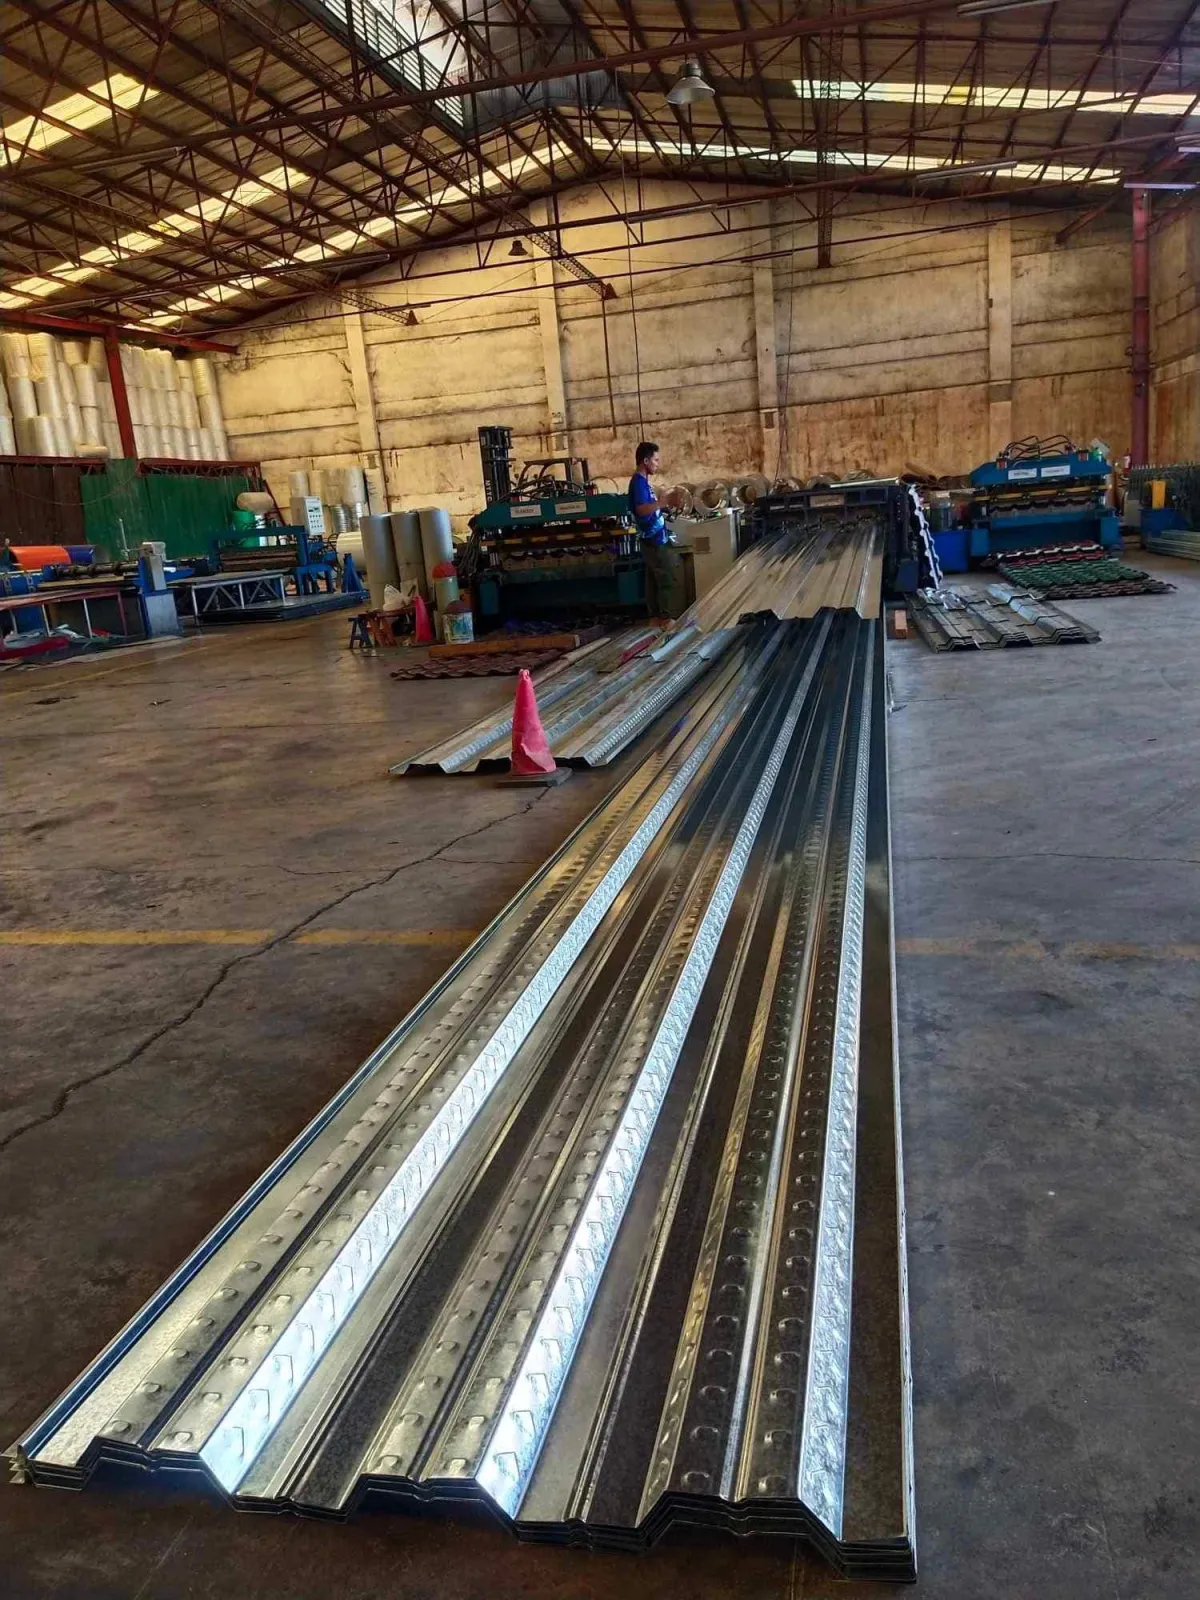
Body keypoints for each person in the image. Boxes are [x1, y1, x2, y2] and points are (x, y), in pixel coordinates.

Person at [628, 441, 679, 617]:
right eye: (655, 460)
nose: (658, 464)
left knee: (654, 580)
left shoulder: (644, 483)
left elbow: (649, 509)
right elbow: (641, 510)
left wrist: (663, 508)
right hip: (653, 540)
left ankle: (657, 618)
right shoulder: (638, 483)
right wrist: (661, 503)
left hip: (656, 537)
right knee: (666, 578)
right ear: (645, 461)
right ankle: (665, 618)